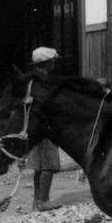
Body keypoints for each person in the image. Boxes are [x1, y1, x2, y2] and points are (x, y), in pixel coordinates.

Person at [25, 47, 62, 212]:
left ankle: (37, 201)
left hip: (34, 127)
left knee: (39, 166)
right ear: (48, 64)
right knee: (48, 165)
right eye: (52, 61)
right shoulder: (44, 82)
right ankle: (44, 200)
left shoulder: (31, 81)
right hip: (44, 127)